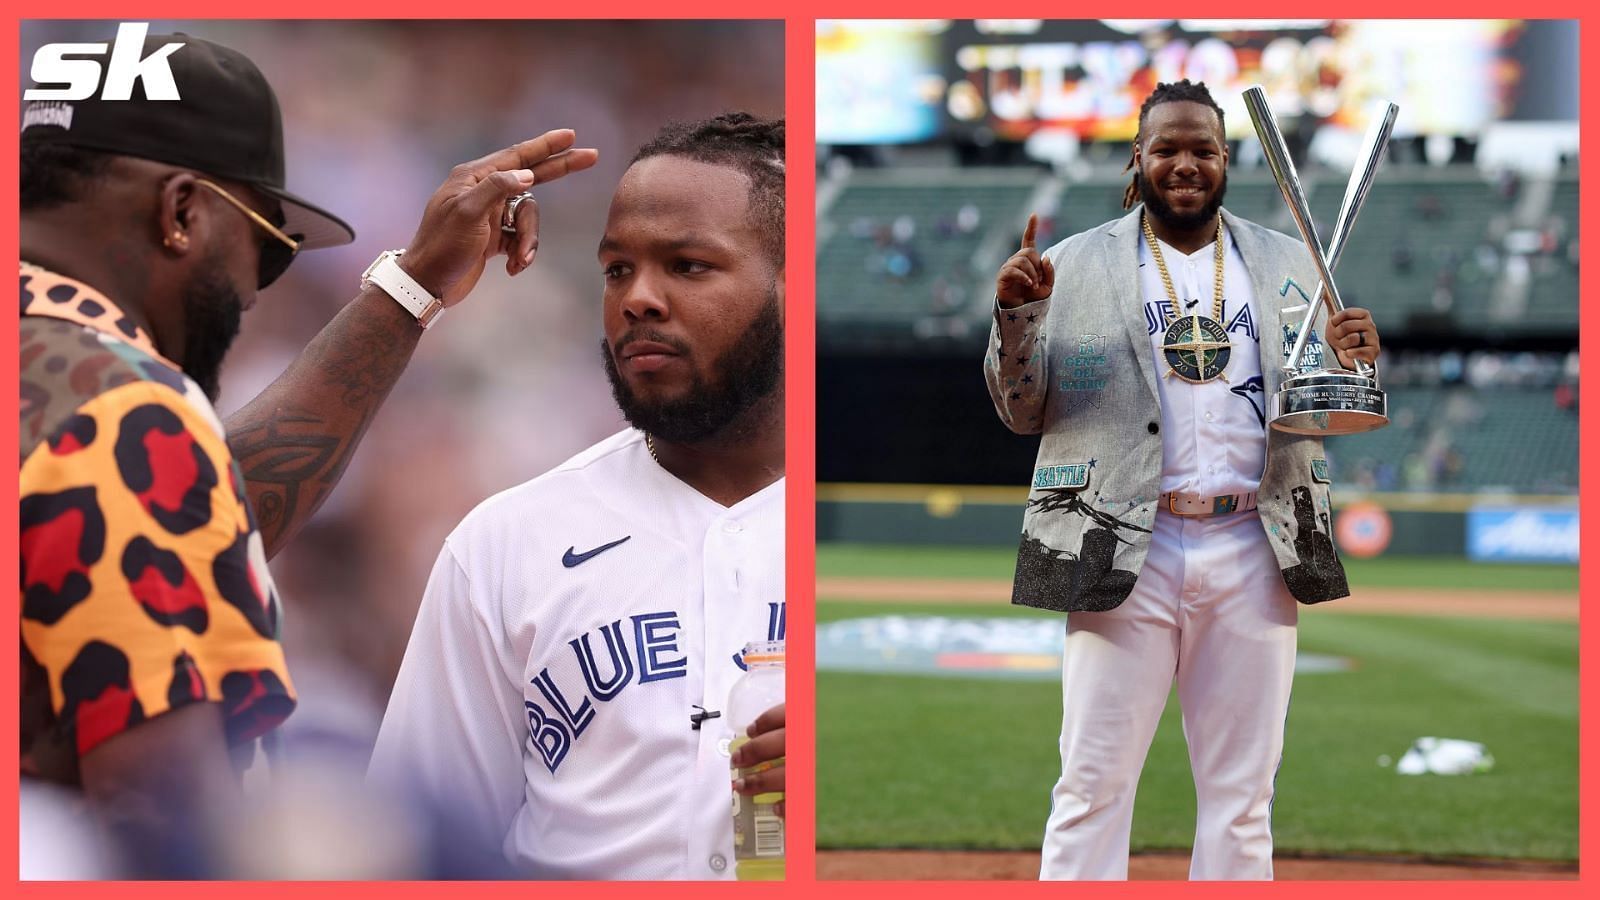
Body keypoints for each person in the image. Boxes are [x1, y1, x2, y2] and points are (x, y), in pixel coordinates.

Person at [18, 28, 596, 863]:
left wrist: (409, 290)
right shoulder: (118, 410)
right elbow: (157, 807)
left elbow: (186, 518)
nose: (257, 284)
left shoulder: (66, 395)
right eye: (269, 243)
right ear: (181, 211)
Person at [368, 112, 786, 880]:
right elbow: (420, 848)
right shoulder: (506, 542)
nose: (638, 300)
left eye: (688, 266)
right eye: (617, 269)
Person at [984, 80, 1381, 881]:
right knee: (1092, 783)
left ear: (1226, 159)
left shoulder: (1291, 262)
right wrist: (1016, 319)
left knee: (1242, 797)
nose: (1185, 163)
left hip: (1253, 544)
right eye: (1167, 148)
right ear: (1139, 157)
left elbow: (1340, 410)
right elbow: (1019, 410)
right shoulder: (1070, 263)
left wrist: (1358, 360)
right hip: (1125, 537)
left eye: (1203, 147)